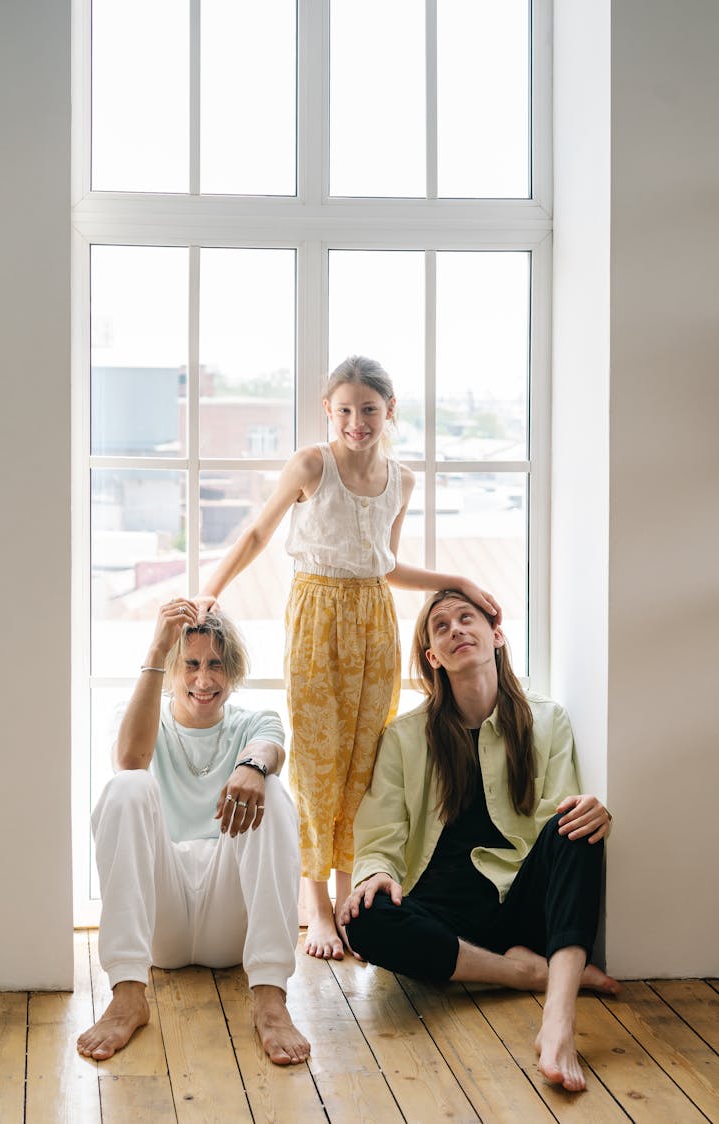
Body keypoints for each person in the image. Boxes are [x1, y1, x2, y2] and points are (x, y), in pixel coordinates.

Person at [198, 355, 501, 961]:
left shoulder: (402, 481)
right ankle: (313, 907)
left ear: (390, 411)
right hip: (317, 616)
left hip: (375, 626)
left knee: (365, 763)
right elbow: (259, 533)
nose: (356, 422)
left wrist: (458, 580)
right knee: (316, 761)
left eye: (368, 410)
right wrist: (212, 588)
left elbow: (385, 565)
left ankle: (349, 898)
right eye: (344, 410)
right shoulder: (312, 464)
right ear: (327, 412)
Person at [340, 589, 619, 1093]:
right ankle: (526, 975)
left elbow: (557, 815)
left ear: (496, 635)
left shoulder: (547, 719)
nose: (455, 630)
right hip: (442, 915)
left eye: (466, 618)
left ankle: (558, 1022)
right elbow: (380, 833)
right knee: (362, 917)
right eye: (441, 627)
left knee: (581, 822)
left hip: (519, 905)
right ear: (433, 658)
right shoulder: (405, 737)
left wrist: (591, 810)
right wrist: (377, 872)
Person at [77, 598, 310, 1066]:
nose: (203, 680)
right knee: (127, 786)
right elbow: (129, 760)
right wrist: (159, 642)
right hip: (162, 922)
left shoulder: (253, 721)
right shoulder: (141, 716)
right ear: (170, 668)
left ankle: (269, 998)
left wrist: (252, 766)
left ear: (232, 671)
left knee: (275, 793)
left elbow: (270, 746)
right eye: (190, 664)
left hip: (229, 919)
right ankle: (127, 994)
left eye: (215, 666)